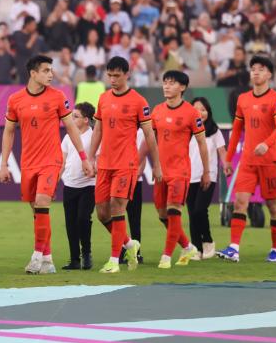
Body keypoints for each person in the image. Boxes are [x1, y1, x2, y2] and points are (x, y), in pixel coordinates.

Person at [0, 54, 94, 274]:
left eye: (51, 70)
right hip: (28, 162)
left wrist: (83, 158)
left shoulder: (58, 96)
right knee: (37, 211)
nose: (51, 74)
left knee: (42, 202)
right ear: (33, 73)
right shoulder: (15, 100)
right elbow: (9, 132)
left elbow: (71, 128)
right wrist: (3, 164)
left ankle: (36, 256)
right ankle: (48, 260)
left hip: (51, 160)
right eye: (46, 70)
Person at [88, 56, 161, 274]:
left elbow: (149, 135)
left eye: (117, 75)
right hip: (105, 164)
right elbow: (98, 129)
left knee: (117, 207)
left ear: (127, 75)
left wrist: (156, 165)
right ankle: (130, 244)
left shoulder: (139, 101)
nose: (112, 79)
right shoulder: (103, 98)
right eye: (110, 75)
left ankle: (114, 260)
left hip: (126, 164)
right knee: (102, 213)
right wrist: (90, 157)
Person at [218, 56, 276, 263]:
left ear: (269, 74)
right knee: (240, 203)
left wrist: (267, 143)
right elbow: (236, 130)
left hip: (269, 162)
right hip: (247, 162)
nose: (256, 72)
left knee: (274, 207)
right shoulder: (243, 99)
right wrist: (228, 159)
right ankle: (234, 248)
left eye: (261, 69)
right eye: (253, 69)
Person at [150, 71, 208, 269]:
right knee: (162, 215)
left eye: (172, 83)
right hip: (161, 172)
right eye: (165, 82)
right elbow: (150, 140)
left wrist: (207, 171)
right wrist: (146, 163)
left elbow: (202, 143)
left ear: (182, 87)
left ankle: (166, 256)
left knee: (174, 211)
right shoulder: (157, 111)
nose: (166, 86)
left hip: (180, 171)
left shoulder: (192, 113)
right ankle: (188, 246)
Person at [61, 102, 97, 270]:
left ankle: (86, 253)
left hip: (88, 185)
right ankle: (74, 259)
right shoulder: (68, 137)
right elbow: (62, 161)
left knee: (83, 218)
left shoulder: (95, 136)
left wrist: (94, 170)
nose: (71, 119)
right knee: (70, 223)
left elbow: (99, 158)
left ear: (86, 120)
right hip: (69, 185)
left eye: (75, 116)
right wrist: (55, 181)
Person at [187, 97, 225, 259]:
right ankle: (197, 249)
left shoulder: (214, 131)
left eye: (203, 109)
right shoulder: (186, 130)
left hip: (208, 175)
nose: (200, 113)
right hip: (189, 176)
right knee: (192, 214)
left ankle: (208, 241)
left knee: (200, 210)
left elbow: (222, 151)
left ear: (208, 112)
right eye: (196, 109)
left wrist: (226, 165)